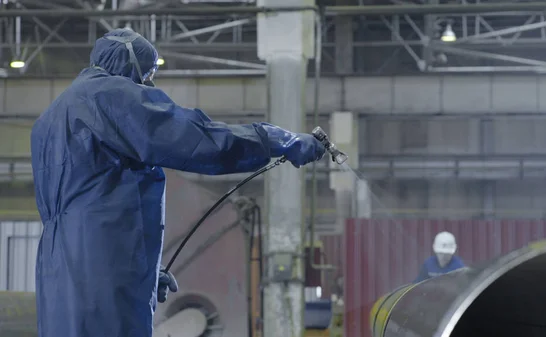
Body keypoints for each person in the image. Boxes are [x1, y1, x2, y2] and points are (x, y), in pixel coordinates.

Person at [30, 28, 326, 337]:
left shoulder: (49, 119)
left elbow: (91, 195)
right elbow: (195, 139)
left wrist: (143, 271)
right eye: (146, 73)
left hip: (57, 269)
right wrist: (275, 139)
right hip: (104, 267)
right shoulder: (110, 97)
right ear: (127, 64)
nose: (149, 83)